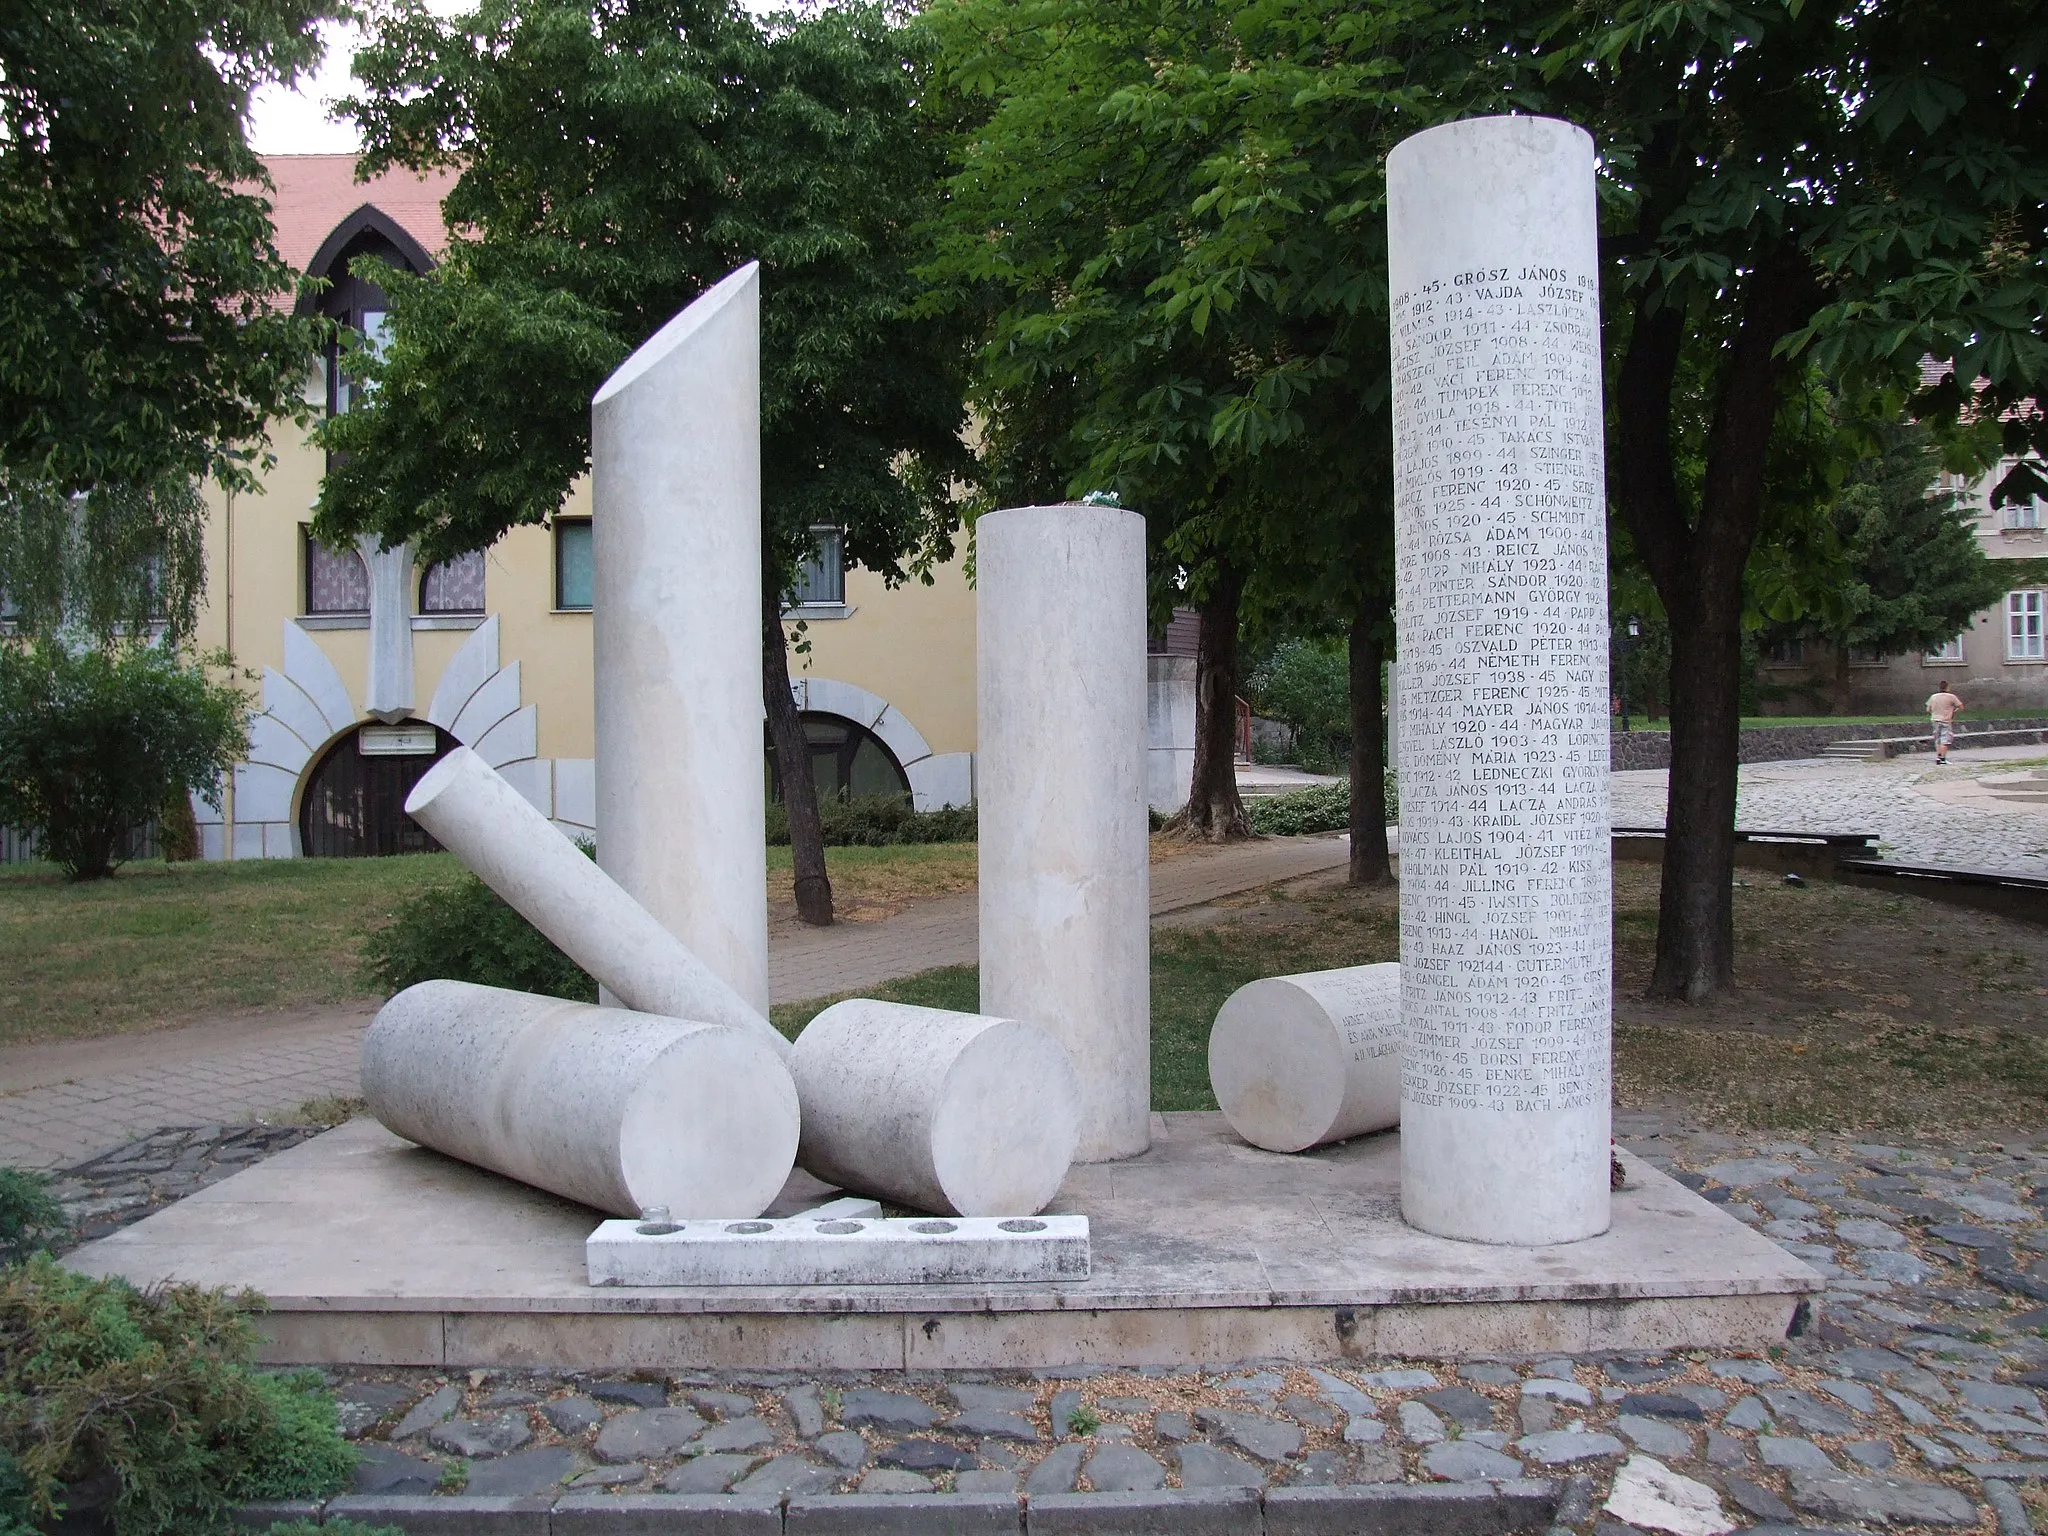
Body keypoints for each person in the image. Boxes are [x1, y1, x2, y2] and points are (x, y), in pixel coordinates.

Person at [1926, 685, 1964, 765]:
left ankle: (1938, 757)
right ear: (1947, 688)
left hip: (1935, 720)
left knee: (1937, 739)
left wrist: (1935, 713)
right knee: (1945, 739)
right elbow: (1961, 707)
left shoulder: (1933, 696)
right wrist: (1953, 711)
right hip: (1946, 720)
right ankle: (1943, 759)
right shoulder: (1951, 697)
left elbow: (1928, 709)